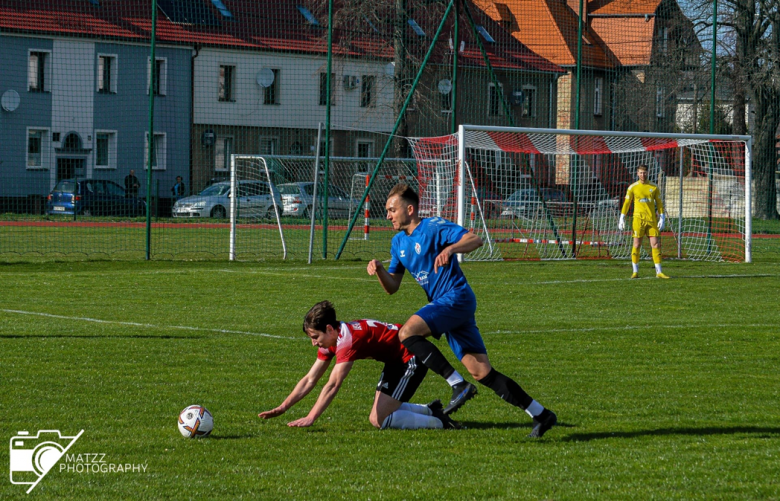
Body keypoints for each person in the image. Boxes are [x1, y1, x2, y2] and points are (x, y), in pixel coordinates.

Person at [366, 184, 557, 438]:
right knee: (481, 371)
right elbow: (393, 287)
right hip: (447, 307)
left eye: (392, 210)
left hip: (455, 297)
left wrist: (450, 249)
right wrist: (380, 270)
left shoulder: (433, 227)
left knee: (407, 332)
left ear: (410, 209)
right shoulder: (398, 242)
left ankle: (457, 385)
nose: (388, 215)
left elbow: (474, 239)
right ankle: (542, 415)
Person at [259, 300, 459, 430]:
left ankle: (441, 423)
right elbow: (310, 379)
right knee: (377, 417)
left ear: (329, 328)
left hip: (410, 358)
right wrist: (283, 407)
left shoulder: (347, 340)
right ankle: (431, 410)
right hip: (394, 360)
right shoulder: (332, 339)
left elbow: (333, 384)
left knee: (380, 420)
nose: (314, 343)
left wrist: (311, 417)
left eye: (315, 337)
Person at [618, 164, 669, 279]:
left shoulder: (654, 187)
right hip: (638, 220)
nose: (643, 175)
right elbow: (627, 203)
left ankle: (659, 272)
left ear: (648, 173)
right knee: (637, 244)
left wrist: (662, 217)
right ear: (637, 173)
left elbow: (660, 204)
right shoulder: (632, 187)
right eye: (640, 173)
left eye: (644, 173)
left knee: (656, 244)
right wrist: (622, 217)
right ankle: (635, 272)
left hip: (651, 220)